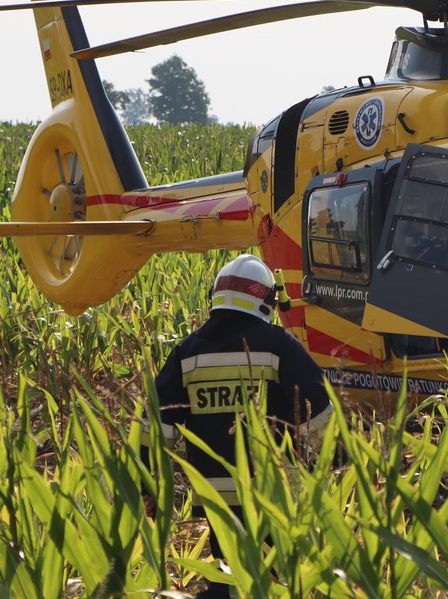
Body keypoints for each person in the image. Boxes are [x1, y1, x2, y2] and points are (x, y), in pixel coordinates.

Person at [140, 254, 332, 598]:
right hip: (272, 495)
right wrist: (335, 467)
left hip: (215, 496)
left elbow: (154, 429)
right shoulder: (280, 346)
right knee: (270, 581)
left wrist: (147, 486)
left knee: (230, 573)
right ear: (265, 300)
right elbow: (321, 420)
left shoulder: (188, 353)